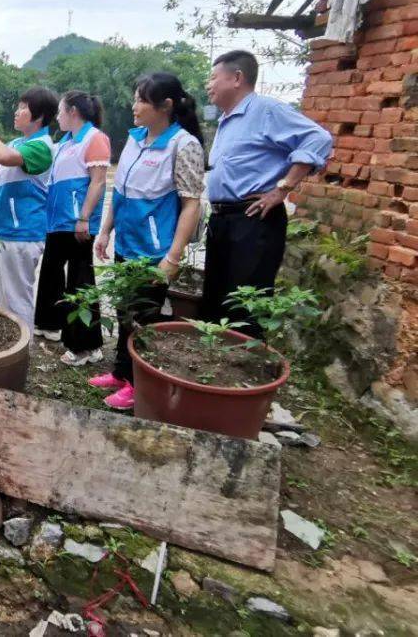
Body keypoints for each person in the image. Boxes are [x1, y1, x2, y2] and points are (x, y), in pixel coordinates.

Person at [91, 73, 205, 410]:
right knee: (126, 311)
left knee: (144, 317)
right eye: (135, 97)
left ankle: (139, 386)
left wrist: (173, 257)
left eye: (141, 99)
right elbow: (121, 191)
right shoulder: (135, 138)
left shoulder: (183, 145)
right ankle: (121, 372)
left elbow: (191, 205)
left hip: (154, 252)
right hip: (127, 243)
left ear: (165, 106)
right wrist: (106, 230)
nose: (134, 106)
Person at [202, 50, 333, 337]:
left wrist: (282, 188)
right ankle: (214, 372)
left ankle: (244, 373)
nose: (208, 85)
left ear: (237, 78)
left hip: (253, 220)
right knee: (215, 300)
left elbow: (319, 138)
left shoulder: (266, 111)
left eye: (213, 77)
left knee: (244, 305)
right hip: (223, 220)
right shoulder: (227, 119)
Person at [0, 87, 59, 327]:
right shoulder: (20, 142)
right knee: (4, 298)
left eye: (23, 108)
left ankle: (23, 353)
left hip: (22, 234)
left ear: (39, 116)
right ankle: (14, 350)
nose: (17, 112)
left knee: (17, 300)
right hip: (5, 231)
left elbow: (3, 157)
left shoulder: (41, 146)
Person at [33, 91, 111, 365]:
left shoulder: (95, 138)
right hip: (57, 223)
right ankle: (50, 326)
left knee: (80, 281)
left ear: (74, 111)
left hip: (77, 223)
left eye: (60, 111)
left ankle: (86, 347)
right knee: (51, 273)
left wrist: (84, 217)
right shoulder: (65, 142)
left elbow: (98, 182)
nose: (57, 116)